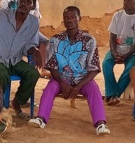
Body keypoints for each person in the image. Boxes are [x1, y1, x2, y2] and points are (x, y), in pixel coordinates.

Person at [29, 7, 110, 135]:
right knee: (50, 88)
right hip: (61, 79)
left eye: (73, 17)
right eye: (66, 17)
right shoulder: (56, 40)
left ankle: (100, 124)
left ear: (79, 19)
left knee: (93, 89)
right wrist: (62, 82)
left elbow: (94, 69)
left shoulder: (89, 40)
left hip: (82, 80)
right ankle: (41, 118)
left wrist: (78, 86)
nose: (69, 20)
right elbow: (53, 66)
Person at [0, 0, 42, 120]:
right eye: (22, 1)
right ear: (18, 2)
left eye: (28, 2)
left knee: (33, 74)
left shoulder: (33, 22)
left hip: (14, 59)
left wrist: (34, 51)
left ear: (33, 6)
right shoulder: (2, 15)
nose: (24, 4)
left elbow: (28, 45)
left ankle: (17, 102)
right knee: (1, 74)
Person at [102, 0, 135, 106]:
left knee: (131, 67)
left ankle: (114, 94)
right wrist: (113, 52)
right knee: (106, 64)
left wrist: (127, 55)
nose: (125, 3)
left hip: (133, 52)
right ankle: (112, 93)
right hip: (117, 49)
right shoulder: (117, 16)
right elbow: (112, 38)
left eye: (129, 0)